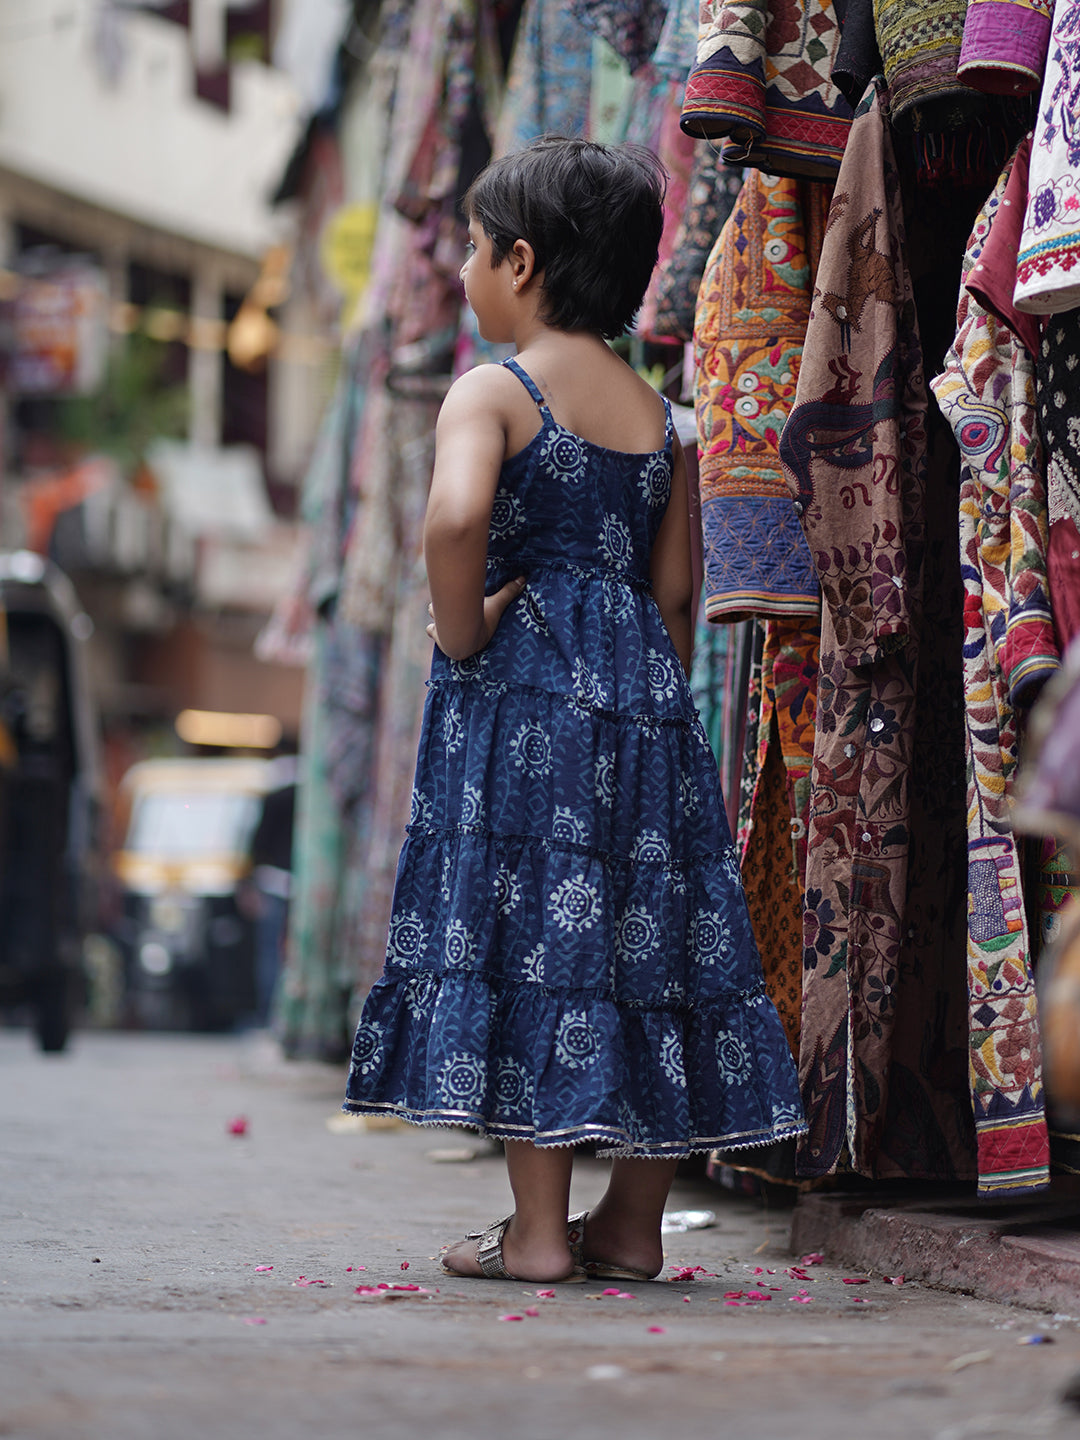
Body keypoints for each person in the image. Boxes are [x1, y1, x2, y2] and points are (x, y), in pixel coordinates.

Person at [342, 136, 805, 1283]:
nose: (460, 270)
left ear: (523, 261)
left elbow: (454, 522)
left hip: (520, 703)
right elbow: (679, 591)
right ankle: (633, 1226)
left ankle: (540, 1234)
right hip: (640, 703)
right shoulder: (662, 417)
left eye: (471, 250)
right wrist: (641, 685)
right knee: (656, 940)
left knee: (530, 935)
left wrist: (462, 631)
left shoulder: (493, 390)